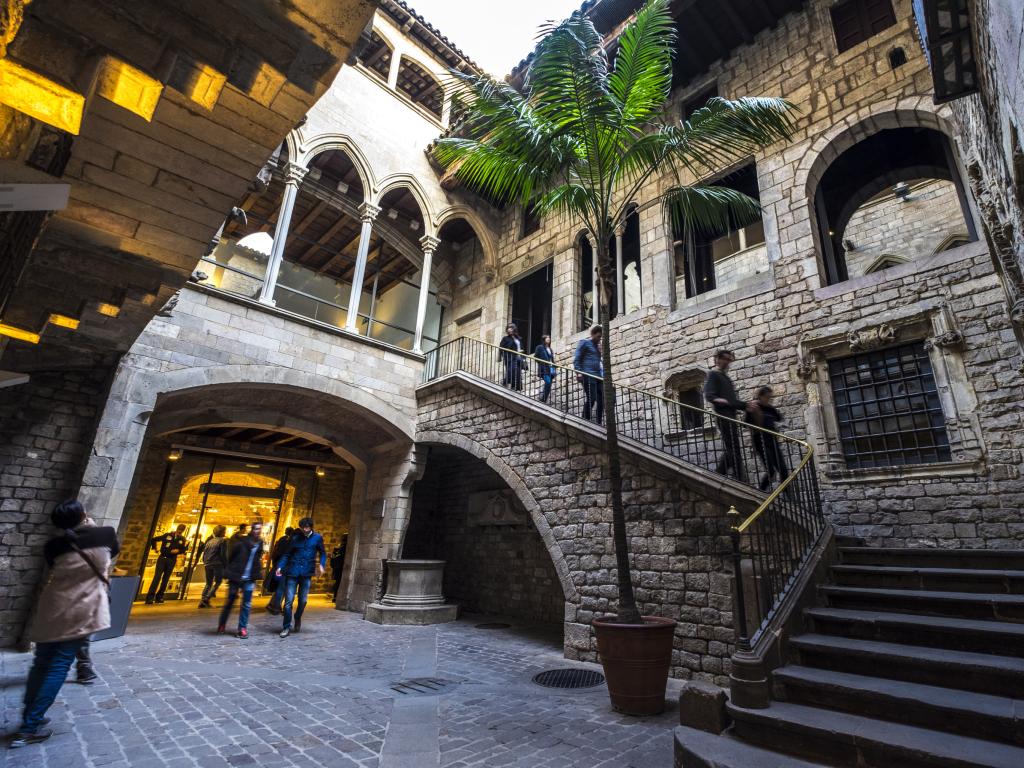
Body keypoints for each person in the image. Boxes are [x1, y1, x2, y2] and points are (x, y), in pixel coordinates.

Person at [11, 500, 119, 748]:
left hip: (54, 605)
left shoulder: (54, 546)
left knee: (41, 663)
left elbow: (53, 566)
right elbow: (112, 552)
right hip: (82, 607)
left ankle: (30, 718)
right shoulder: (104, 534)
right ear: (83, 514)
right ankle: (29, 726)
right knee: (59, 664)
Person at [704, 350, 751, 482]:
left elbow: (732, 401)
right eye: (725, 359)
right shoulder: (714, 374)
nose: (727, 362)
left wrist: (746, 405)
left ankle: (730, 475)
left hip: (731, 416)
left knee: (734, 448)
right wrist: (720, 400)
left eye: (729, 360)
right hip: (723, 417)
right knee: (733, 449)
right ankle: (732, 476)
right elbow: (709, 395)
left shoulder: (726, 378)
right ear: (717, 359)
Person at [276, 517, 326, 638]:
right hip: (292, 573)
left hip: (306, 574)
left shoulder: (317, 538)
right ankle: (286, 627)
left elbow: (323, 553)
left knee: (303, 601)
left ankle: (297, 617)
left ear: (311, 527)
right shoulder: (295, 538)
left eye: (307, 527)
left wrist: (321, 565)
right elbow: (287, 554)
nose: (304, 530)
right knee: (288, 602)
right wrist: (280, 566)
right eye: (302, 528)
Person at [217, 521, 264, 639]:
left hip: (249, 578)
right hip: (236, 575)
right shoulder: (241, 542)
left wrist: (257, 572)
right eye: (256, 529)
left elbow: (257, 558)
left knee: (247, 604)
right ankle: (222, 624)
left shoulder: (260, 543)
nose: (258, 531)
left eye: (260, 529)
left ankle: (242, 628)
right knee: (230, 601)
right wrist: (229, 572)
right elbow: (231, 556)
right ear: (251, 530)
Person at [748, 386, 789, 490]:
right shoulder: (754, 407)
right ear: (760, 396)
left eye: (770, 398)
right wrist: (753, 412)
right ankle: (760, 491)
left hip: (772, 441)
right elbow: (746, 423)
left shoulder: (770, 408)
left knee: (783, 470)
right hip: (760, 441)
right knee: (771, 471)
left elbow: (779, 418)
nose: (769, 400)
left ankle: (787, 494)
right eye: (767, 397)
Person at [144, 523, 187, 604]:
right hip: (162, 558)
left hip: (172, 560)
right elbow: (153, 539)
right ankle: (150, 598)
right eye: (179, 530)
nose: (180, 532)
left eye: (181, 531)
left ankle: (159, 597)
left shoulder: (182, 539)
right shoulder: (167, 535)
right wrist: (155, 548)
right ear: (177, 529)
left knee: (165, 579)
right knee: (157, 578)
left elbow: (184, 549)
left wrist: (178, 551)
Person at [574, 325, 604, 424]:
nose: (599, 339)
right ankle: (585, 419)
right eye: (598, 336)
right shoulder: (584, 343)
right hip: (588, 375)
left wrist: (600, 352)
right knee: (592, 398)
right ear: (593, 334)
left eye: (600, 337)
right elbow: (577, 359)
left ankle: (598, 422)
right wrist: (578, 372)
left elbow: (599, 362)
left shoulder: (597, 348)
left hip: (598, 376)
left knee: (602, 399)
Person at [264, 526, 294, 615]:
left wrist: (275, 565)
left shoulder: (282, 540)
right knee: (283, 588)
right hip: (285, 568)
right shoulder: (290, 542)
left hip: (279, 566)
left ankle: (274, 606)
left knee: (281, 588)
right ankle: (277, 607)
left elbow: (276, 553)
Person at [197, 525, 228, 608]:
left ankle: (203, 599)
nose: (225, 533)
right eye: (224, 531)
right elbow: (223, 555)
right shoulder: (223, 541)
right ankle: (206, 599)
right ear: (222, 532)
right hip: (217, 563)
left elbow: (204, 553)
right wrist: (225, 564)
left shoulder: (210, 541)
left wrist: (205, 562)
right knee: (218, 582)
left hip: (207, 563)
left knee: (208, 583)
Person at [499, 323, 526, 391]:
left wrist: (523, 357)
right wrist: (505, 356)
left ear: (514, 329)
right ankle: (505, 381)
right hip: (510, 357)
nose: (509, 330)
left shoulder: (519, 339)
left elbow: (522, 348)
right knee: (512, 370)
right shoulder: (505, 339)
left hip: (519, 358)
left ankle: (515, 387)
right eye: (508, 328)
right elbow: (501, 348)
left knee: (517, 373)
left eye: (511, 328)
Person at [534, 335, 556, 403]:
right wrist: (542, 363)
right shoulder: (540, 347)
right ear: (544, 339)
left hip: (550, 369)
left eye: (549, 337)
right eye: (547, 337)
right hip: (544, 368)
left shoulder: (550, 349)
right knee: (548, 382)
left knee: (549, 386)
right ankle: (542, 398)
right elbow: (536, 357)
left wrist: (554, 366)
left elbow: (551, 359)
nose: (548, 338)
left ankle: (544, 399)